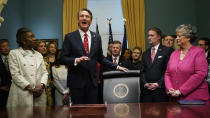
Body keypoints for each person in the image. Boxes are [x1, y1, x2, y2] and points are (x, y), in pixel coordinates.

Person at [61, 8, 127, 104]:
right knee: (78, 112)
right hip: (76, 82)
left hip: (92, 83)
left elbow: (101, 58)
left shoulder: (97, 37)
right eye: (82, 16)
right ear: (78, 20)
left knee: (92, 111)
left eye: (87, 16)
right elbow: (63, 58)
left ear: (90, 21)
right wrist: (76, 60)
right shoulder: (69, 37)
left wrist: (116, 66)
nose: (84, 18)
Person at [165, 24, 210, 102]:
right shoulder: (174, 53)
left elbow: (200, 74)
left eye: (179, 36)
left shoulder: (198, 52)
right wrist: (170, 88)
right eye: (177, 36)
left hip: (194, 99)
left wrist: (181, 90)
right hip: (174, 98)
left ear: (188, 37)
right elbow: (167, 73)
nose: (177, 38)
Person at [6, 27, 48, 107]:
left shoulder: (38, 54)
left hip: (39, 94)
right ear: (23, 41)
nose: (34, 39)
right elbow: (15, 75)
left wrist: (41, 86)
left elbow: (44, 73)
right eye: (31, 37)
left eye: (34, 36)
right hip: (22, 93)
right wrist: (31, 88)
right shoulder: (14, 53)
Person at [140, 27, 173, 102]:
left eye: (152, 35)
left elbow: (168, 70)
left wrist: (158, 83)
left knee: (161, 113)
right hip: (147, 92)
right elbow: (142, 71)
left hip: (161, 91)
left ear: (158, 37)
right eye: (148, 35)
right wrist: (145, 83)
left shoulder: (167, 51)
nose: (149, 38)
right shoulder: (145, 53)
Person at [0, 39, 11, 107]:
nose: (6, 48)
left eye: (7, 45)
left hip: (15, 90)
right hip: (2, 91)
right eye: (3, 46)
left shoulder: (15, 57)